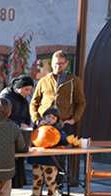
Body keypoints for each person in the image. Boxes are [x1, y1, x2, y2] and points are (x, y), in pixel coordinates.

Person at [30, 50, 86, 183]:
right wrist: (37, 119)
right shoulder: (44, 81)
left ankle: (58, 184)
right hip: (44, 125)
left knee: (60, 157)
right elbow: (34, 102)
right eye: (55, 64)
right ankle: (41, 184)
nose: (58, 67)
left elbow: (81, 102)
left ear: (66, 64)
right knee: (41, 156)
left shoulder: (74, 81)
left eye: (61, 64)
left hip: (63, 124)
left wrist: (74, 119)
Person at [27, 107, 68, 196]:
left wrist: (59, 135)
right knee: (37, 182)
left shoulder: (57, 131)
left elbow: (64, 140)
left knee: (51, 182)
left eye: (53, 118)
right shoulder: (37, 128)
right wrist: (37, 126)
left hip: (50, 161)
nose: (50, 119)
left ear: (57, 120)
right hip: (37, 159)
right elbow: (31, 140)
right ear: (43, 117)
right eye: (48, 116)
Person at [0, 75, 35, 189]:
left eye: (30, 90)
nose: (29, 93)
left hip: (18, 137)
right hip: (5, 138)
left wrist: (29, 124)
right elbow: (1, 116)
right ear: (19, 87)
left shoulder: (22, 99)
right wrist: (18, 125)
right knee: (6, 171)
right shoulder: (5, 97)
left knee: (16, 168)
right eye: (26, 90)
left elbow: (26, 116)